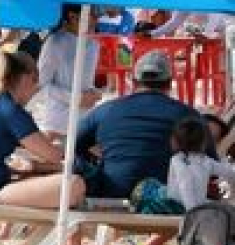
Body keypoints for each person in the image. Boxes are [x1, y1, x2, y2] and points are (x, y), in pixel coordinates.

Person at [0, 50, 86, 208]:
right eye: (36, 81)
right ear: (25, 78)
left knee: (40, 176)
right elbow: (54, 155)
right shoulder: (10, 110)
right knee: (74, 184)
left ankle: (6, 231)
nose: (36, 89)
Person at [74, 51, 202, 201]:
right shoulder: (187, 114)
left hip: (112, 195)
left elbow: (72, 146)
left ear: (134, 82)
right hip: (165, 200)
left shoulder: (106, 110)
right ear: (169, 83)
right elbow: (209, 161)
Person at [34, 3, 102, 135]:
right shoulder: (55, 43)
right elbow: (41, 83)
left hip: (86, 119)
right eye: (93, 14)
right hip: (58, 122)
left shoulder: (93, 45)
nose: (96, 19)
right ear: (73, 16)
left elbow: (86, 81)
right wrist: (74, 98)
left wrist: (94, 93)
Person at [165, 115, 235, 211]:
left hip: (184, 206)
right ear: (204, 142)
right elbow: (230, 171)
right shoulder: (205, 161)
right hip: (187, 206)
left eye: (215, 139)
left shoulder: (178, 160)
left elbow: (186, 186)